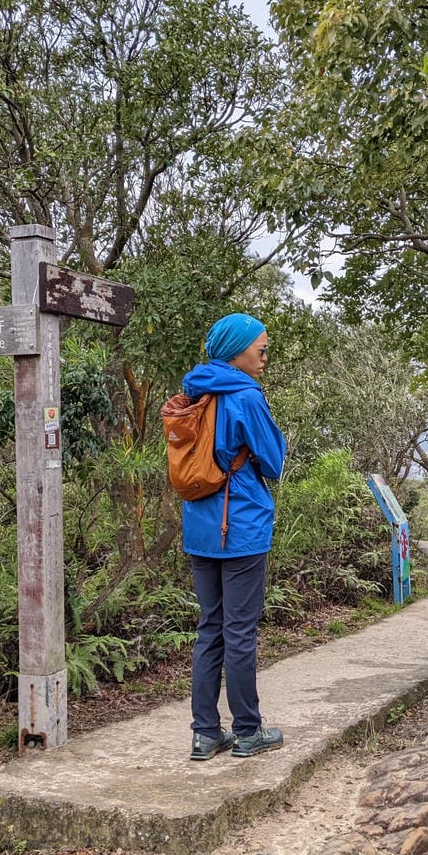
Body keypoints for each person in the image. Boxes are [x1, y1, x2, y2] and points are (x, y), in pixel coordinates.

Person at [181, 313, 287, 760]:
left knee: (210, 629)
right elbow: (273, 462)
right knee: (240, 631)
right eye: (260, 349)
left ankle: (206, 733)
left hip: (199, 528)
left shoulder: (193, 391)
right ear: (237, 350)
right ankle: (247, 731)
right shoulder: (245, 396)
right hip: (241, 526)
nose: (265, 356)